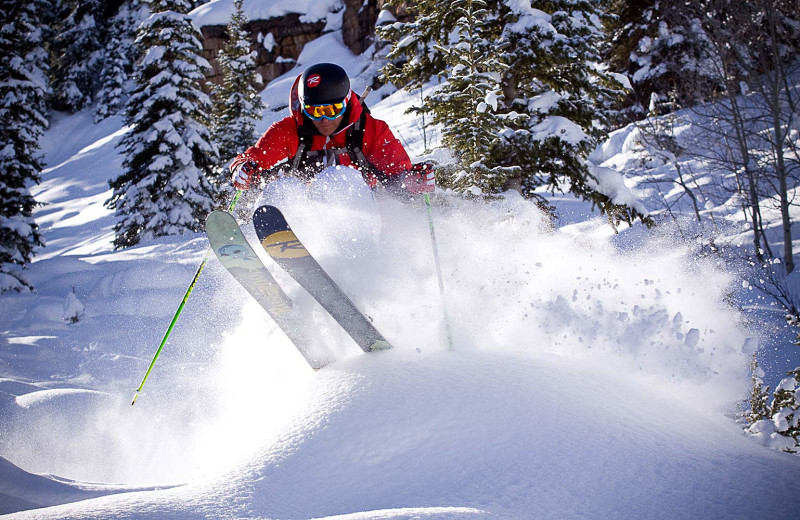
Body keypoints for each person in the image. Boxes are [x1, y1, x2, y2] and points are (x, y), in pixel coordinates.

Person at [229, 62, 434, 196]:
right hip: (307, 213)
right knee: (283, 189)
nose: (324, 120)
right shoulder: (290, 130)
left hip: (364, 211)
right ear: (303, 107)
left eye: (332, 110)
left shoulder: (370, 130)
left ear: (346, 103)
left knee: (339, 183)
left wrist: (413, 181)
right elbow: (254, 157)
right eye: (314, 112)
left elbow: (397, 173)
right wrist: (243, 169)